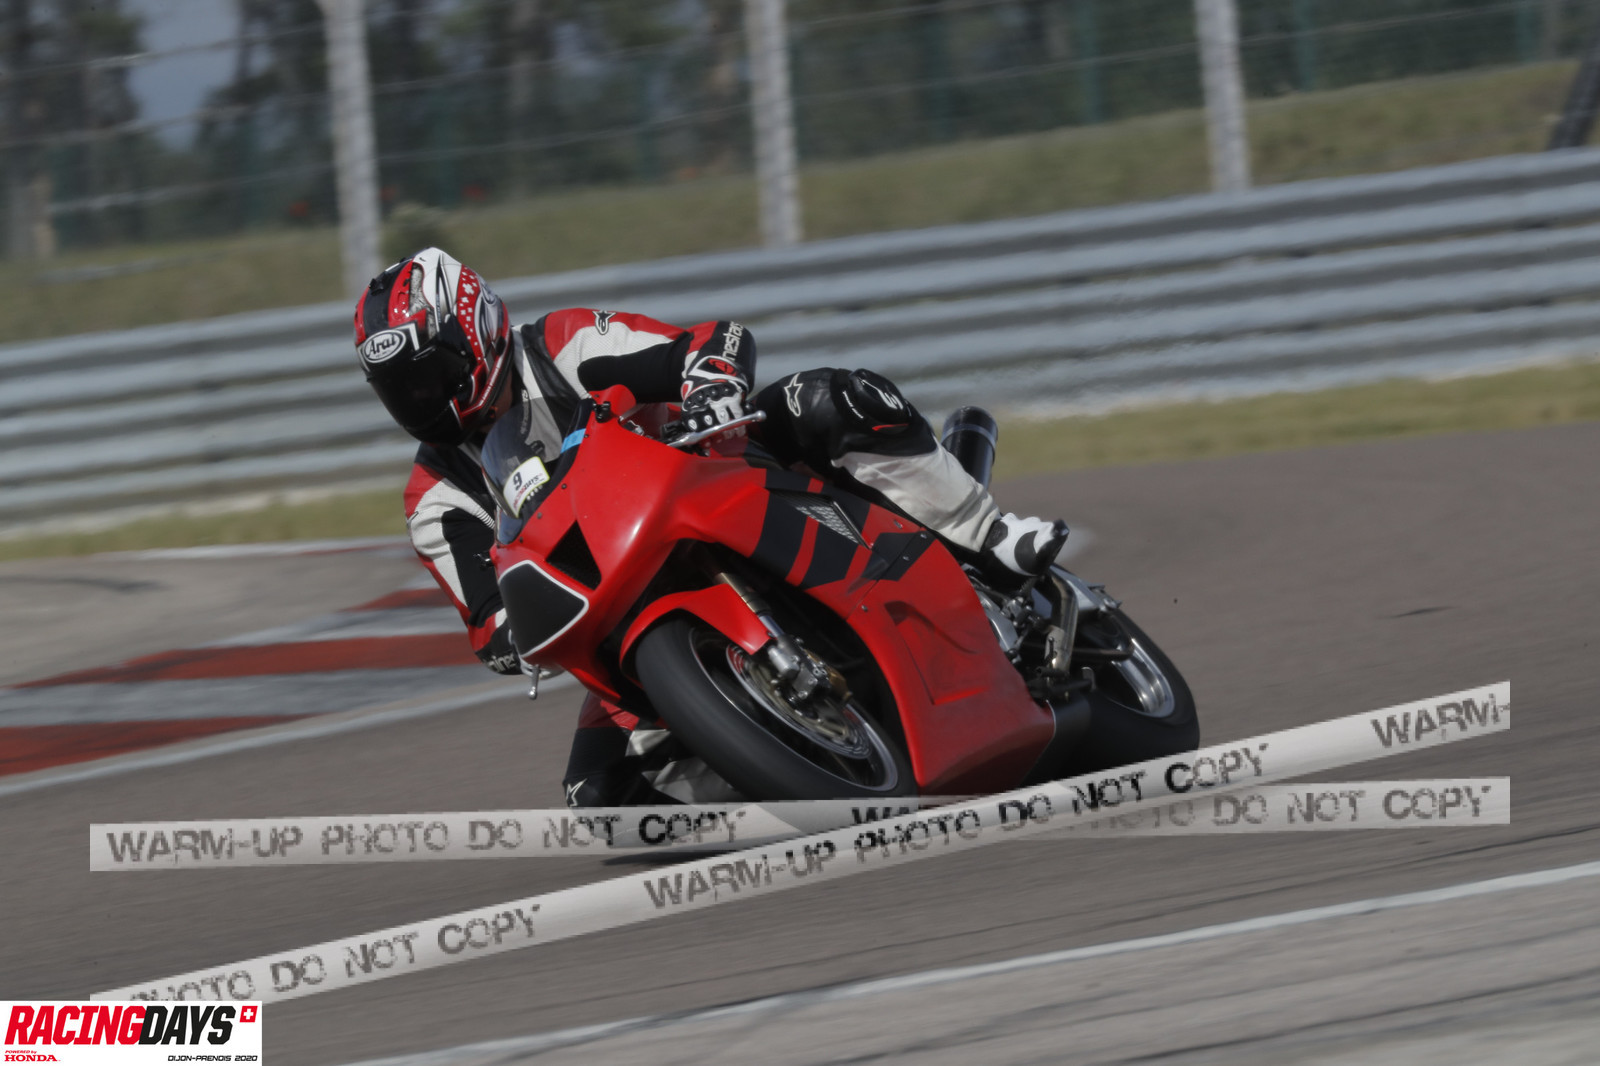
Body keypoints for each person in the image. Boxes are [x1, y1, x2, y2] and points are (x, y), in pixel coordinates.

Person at [355, 247, 1070, 806]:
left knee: (831, 398)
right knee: (599, 797)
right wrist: (513, 633)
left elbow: (709, 341)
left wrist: (710, 383)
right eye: (399, 390)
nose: (420, 399)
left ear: (478, 331)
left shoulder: (562, 345)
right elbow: (487, 621)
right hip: (616, 612)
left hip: (716, 480)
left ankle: (990, 538)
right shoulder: (433, 500)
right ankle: (795, 764)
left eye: (430, 374)